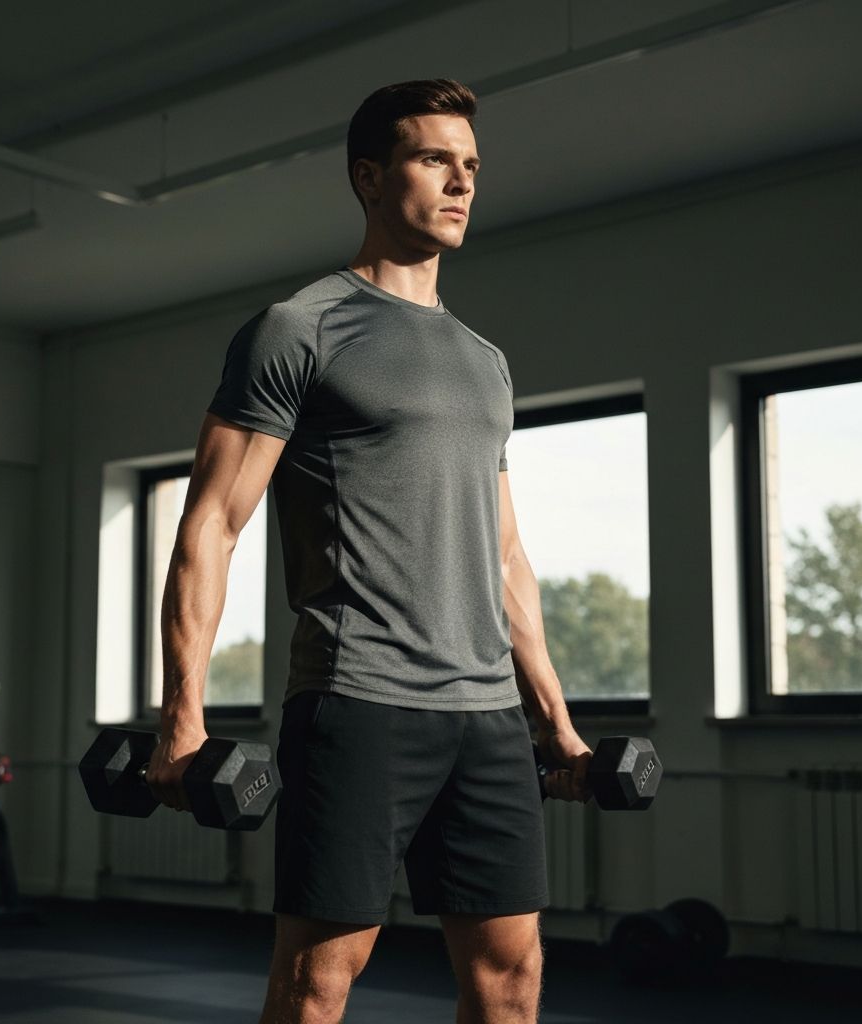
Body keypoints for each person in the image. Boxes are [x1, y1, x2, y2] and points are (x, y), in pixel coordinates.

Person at [147, 78, 593, 1024]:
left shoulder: (485, 361)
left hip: (486, 718)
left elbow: (505, 552)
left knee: (513, 979)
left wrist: (550, 715)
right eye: (436, 159)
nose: (462, 182)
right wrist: (179, 716)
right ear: (369, 176)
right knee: (320, 980)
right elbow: (213, 524)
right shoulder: (298, 329)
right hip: (361, 701)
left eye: (471, 166)